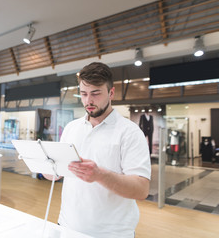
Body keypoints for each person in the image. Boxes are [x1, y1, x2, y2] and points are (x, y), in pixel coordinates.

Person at [45, 62, 151, 238]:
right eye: (84, 94)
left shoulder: (130, 132)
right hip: (66, 226)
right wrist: (44, 165)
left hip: (112, 233)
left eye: (95, 93)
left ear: (111, 93)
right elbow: (56, 174)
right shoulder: (71, 128)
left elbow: (141, 190)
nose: (88, 101)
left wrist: (100, 175)